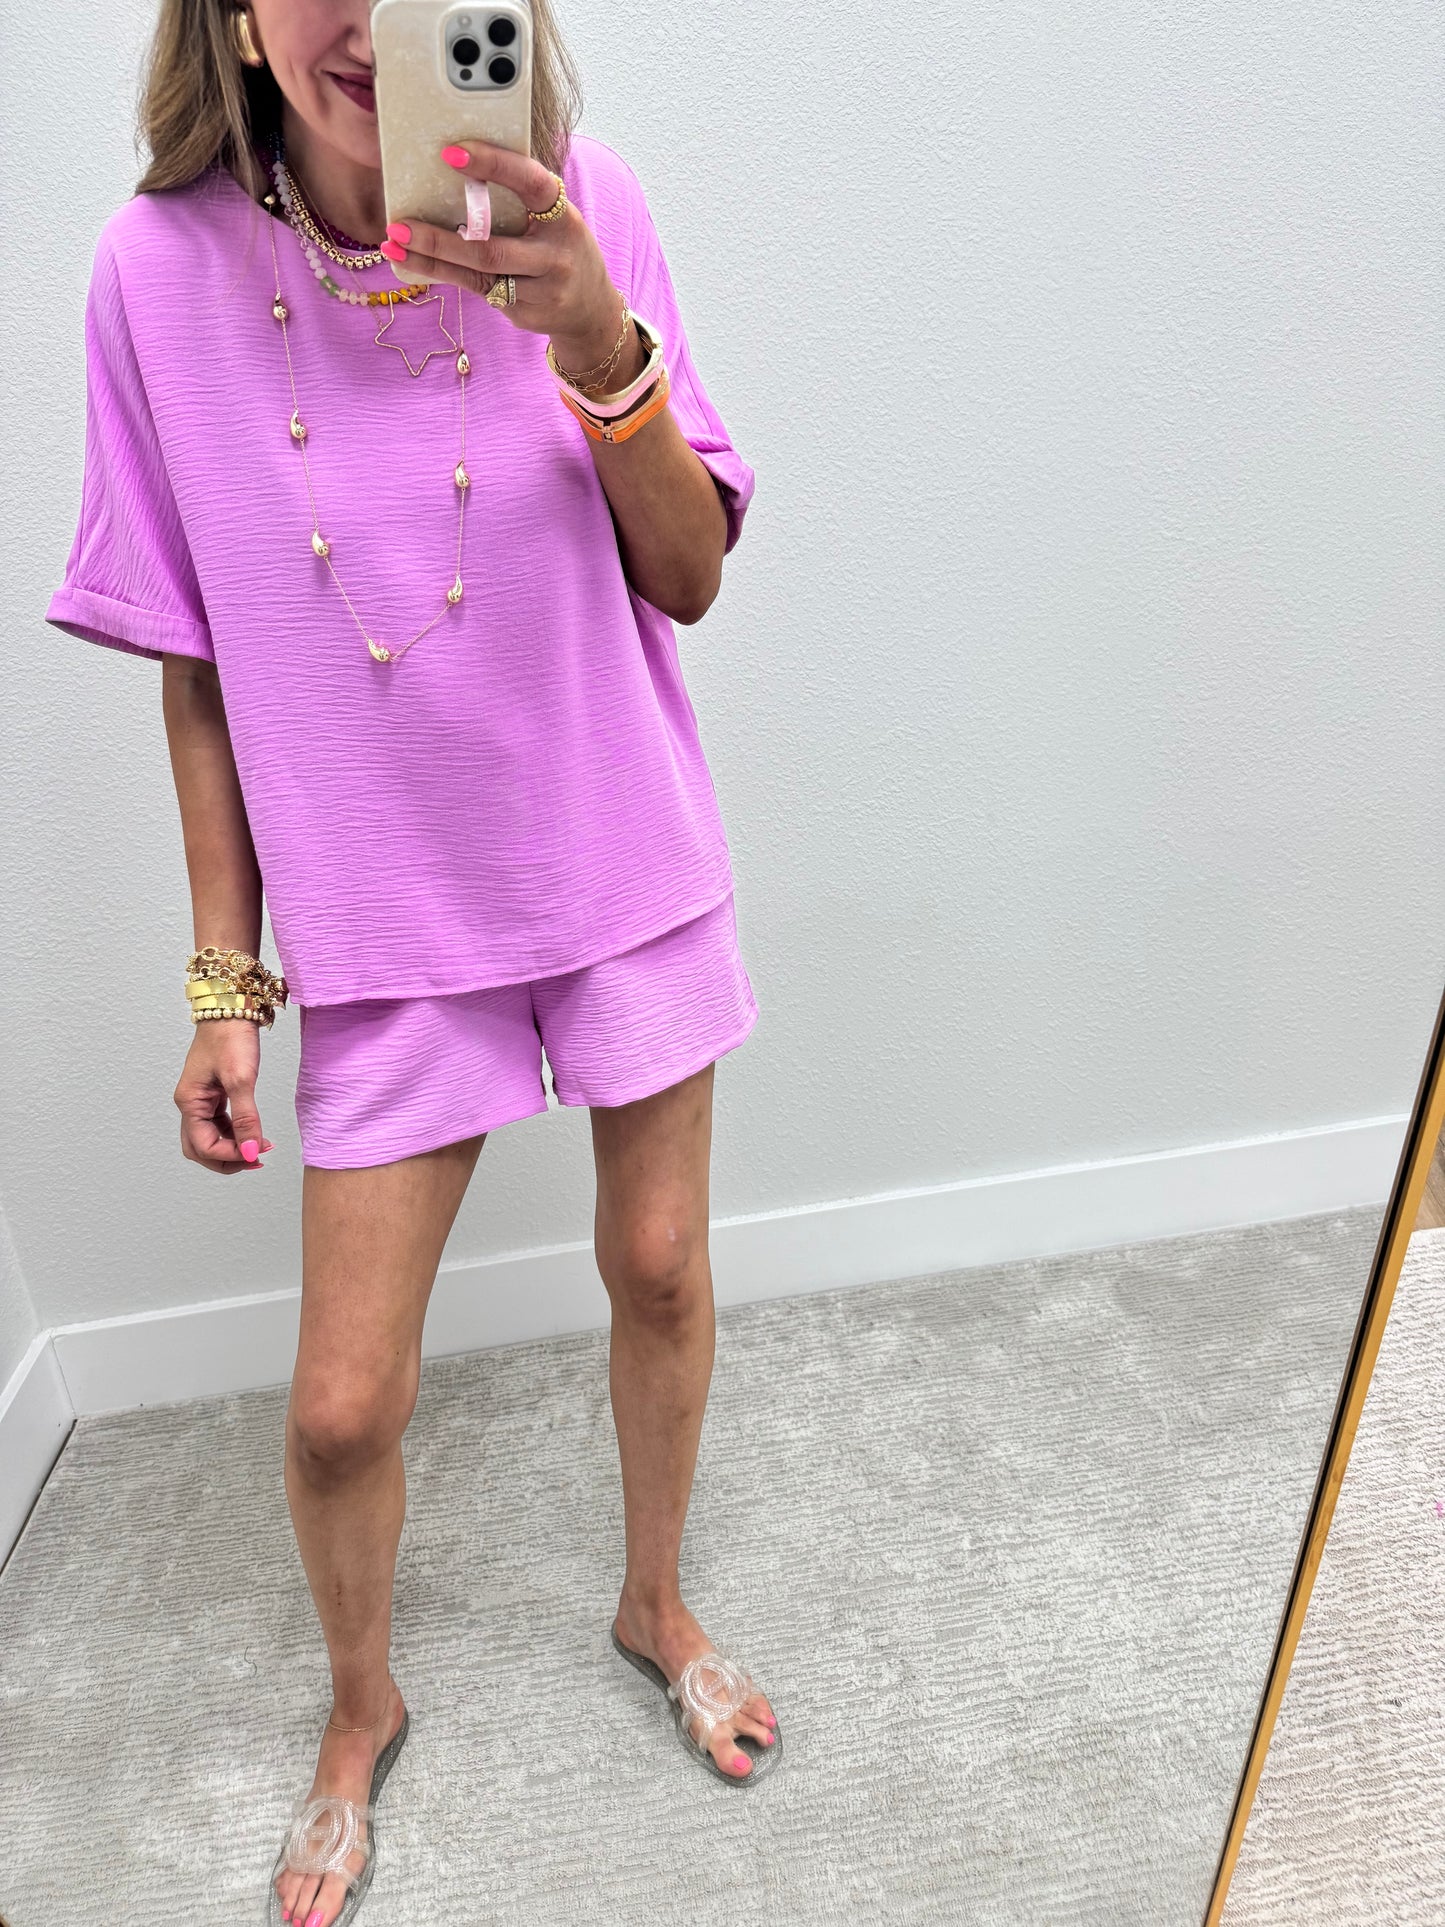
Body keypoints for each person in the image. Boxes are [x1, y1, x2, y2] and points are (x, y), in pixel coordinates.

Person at [46, 3, 781, 1921]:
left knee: (659, 1264)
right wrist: (225, 981)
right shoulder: (154, 275)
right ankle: (361, 1703)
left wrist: (597, 345)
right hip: (382, 922)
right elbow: (195, 663)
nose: (370, 17)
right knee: (340, 1408)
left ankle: (653, 1600)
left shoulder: (581, 203)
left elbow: (689, 576)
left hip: (616, 853)